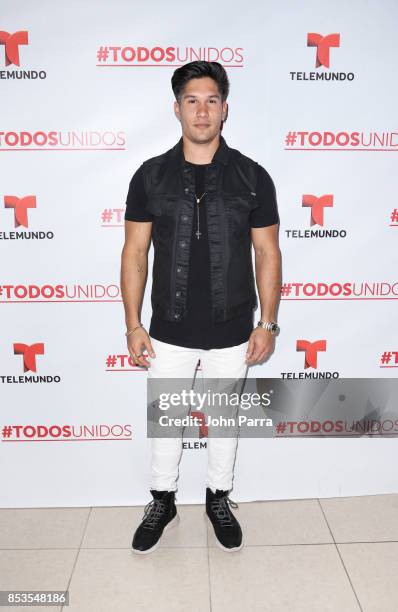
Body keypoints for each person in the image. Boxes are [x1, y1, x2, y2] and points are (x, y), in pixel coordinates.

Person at [120, 60, 281, 555]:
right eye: (192, 100)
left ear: (225, 109)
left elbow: (268, 252)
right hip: (167, 327)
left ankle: (218, 498)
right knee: (165, 421)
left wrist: (267, 324)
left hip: (234, 327)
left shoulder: (253, 176)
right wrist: (132, 325)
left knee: (223, 419)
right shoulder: (149, 177)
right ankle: (162, 500)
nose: (202, 110)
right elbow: (134, 253)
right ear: (177, 108)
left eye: (212, 100)